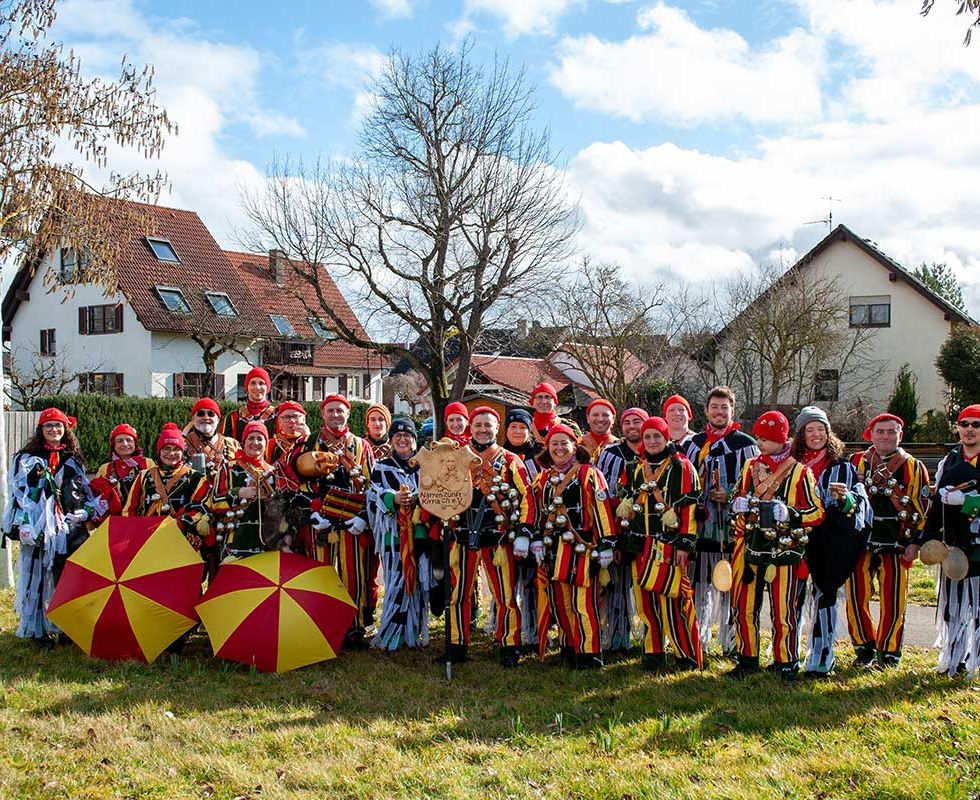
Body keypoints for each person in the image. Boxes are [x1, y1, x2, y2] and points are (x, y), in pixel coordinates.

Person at [728, 410, 825, 680]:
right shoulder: (750, 466)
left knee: (784, 610)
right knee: (744, 607)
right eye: (758, 438)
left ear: (782, 440)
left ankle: (786, 662)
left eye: (766, 439)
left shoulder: (800, 471)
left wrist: (791, 515)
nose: (760, 443)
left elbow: (817, 512)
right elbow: (737, 495)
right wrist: (737, 503)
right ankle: (747, 659)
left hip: (785, 550)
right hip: (751, 546)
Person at [444, 406, 535, 668]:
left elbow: (527, 498)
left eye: (488, 425)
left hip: (498, 537)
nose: (483, 430)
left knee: (505, 596)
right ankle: (456, 645)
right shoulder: (456, 458)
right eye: (478, 425)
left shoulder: (510, 460)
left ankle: (509, 645)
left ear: (497, 428)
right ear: (470, 428)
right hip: (462, 535)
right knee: (458, 594)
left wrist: (523, 532)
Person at [2, 408, 101, 643]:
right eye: (49, 425)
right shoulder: (26, 459)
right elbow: (19, 493)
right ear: (41, 429)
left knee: (67, 578)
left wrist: (86, 511)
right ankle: (37, 630)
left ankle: (67, 628)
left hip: (68, 527)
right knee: (36, 577)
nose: (54, 430)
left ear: (66, 429)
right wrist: (22, 523)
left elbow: (82, 490)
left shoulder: (73, 459)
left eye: (58, 425)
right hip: (38, 528)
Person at [289, 394, 375, 648]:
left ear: (348, 413)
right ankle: (321, 626)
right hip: (321, 520)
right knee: (320, 574)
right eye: (331, 410)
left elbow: (372, 485)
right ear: (322, 414)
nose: (336, 415)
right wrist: (310, 513)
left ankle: (354, 627)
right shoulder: (308, 443)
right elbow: (296, 482)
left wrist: (363, 517)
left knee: (354, 575)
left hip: (352, 520)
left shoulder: (362, 446)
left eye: (340, 410)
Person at [789, 407, 871, 676]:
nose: (816, 435)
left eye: (821, 429)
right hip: (795, 540)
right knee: (792, 597)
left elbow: (859, 504)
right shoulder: (790, 465)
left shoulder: (842, 467)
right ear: (801, 434)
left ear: (828, 432)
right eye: (810, 430)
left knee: (824, 596)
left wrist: (846, 500)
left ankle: (822, 657)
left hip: (829, 542)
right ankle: (787, 654)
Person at [617, 416, 702, 672]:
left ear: (667, 438)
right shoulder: (634, 467)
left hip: (669, 545)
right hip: (640, 545)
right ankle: (653, 654)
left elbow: (690, 508)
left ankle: (686, 655)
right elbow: (626, 505)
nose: (652, 441)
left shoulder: (682, 466)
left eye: (657, 436)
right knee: (645, 603)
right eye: (647, 437)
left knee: (674, 602)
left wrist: (685, 544)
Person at [845, 412, 929, 669]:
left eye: (891, 431)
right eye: (880, 432)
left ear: (900, 435)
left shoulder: (914, 466)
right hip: (860, 542)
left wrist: (915, 542)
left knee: (894, 600)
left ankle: (889, 652)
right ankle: (864, 648)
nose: (886, 436)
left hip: (896, 543)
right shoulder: (856, 461)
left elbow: (922, 507)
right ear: (871, 435)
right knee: (856, 596)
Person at [531, 424, 616, 669]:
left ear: (574, 446)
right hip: (552, 550)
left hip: (582, 548)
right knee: (560, 602)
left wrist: (606, 544)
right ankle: (569, 647)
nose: (559, 448)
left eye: (564, 443)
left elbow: (602, 509)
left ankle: (589, 653)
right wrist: (535, 538)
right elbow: (536, 511)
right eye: (554, 443)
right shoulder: (543, 478)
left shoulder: (589, 474)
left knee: (584, 603)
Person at [684, 386, 759, 655]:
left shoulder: (746, 445)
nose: (719, 412)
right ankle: (699, 640)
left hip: (732, 529)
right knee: (700, 585)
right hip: (700, 528)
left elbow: (756, 485)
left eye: (724, 407)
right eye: (714, 407)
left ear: (732, 411)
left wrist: (729, 494)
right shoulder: (692, 445)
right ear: (706, 411)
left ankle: (731, 642)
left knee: (732, 586)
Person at [922, 404, 980, 677]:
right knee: (953, 607)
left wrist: (967, 501)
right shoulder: (950, 460)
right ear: (957, 428)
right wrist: (928, 538)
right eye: (964, 424)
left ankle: (976, 664)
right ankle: (953, 660)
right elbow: (936, 505)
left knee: (978, 608)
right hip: (953, 545)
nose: (970, 429)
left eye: (976, 425)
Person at [366, 417, 434, 650]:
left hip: (421, 534)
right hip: (394, 535)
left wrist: (418, 499)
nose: (402, 439)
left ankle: (414, 629)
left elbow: (437, 493)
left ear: (414, 440)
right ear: (391, 440)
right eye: (397, 435)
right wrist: (393, 498)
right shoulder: (381, 466)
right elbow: (373, 495)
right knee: (397, 581)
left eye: (407, 435)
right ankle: (393, 631)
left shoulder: (425, 466)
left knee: (420, 583)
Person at [595, 407, 648, 655]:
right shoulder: (610, 453)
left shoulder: (657, 451)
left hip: (649, 531)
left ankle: (652, 638)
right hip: (618, 528)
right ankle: (618, 638)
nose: (632, 426)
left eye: (637, 421)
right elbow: (601, 491)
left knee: (649, 585)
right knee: (618, 585)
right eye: (627, 422)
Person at [123, 423, 212, 552]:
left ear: (182, 452)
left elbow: (202, 508)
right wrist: (134, 532)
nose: (171, 453)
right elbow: (129, 509)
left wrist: (179, 523)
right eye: (166, 449)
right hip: (148, 541)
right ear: (159, 451)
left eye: (176, 449)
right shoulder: (143, 476)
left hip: (182, 542)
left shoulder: (196, 478)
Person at [211, 421, 281, 561]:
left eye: (260, 438)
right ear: (243, 442)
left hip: (266, 544)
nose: (255, 442)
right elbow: (215, 503)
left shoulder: (274, 472)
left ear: (266, 443)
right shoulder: (228, 468)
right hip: (236, 542)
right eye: (251, 438)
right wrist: (238, 493)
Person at [94, 423, 154, 513]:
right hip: (115, 518)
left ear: (135, 443)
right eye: (120, 441)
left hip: (143, 516)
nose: (125, 444)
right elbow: (96, 495)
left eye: (129, 440)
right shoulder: (105, 468)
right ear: (114, 445)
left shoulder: (147, 463)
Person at [184, 397, 239, 480]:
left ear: (218, 419)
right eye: (200, 414)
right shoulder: (183, 445)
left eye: (211, 414)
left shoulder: (231, 444)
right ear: (193, 419)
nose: (206, 417)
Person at [220, 367, 277, 441]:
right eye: (253, 383)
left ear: (267, 388)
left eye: (261, 383)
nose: (257, 387)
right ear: (247, 387)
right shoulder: (232, 418)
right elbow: (222, 443)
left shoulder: (278, 416)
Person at [529, 382, 581, 452]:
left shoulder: (569, 426)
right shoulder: (524, 426)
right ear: (532, 402)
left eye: (548, 397)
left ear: (555, 402)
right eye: (539, 397)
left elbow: (580, 452)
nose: (544, 401)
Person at [266, 400, 308, 465]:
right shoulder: (269, 445)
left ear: (303, 419)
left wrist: (308, 438)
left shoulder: (315, 441)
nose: (292, 421)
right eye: (286, 417)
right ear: (279, 421)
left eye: (295, 416)